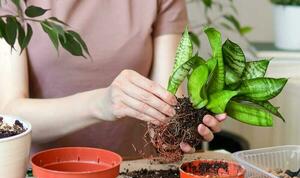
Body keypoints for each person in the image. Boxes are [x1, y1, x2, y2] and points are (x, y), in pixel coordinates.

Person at [0, 0, 226, 157]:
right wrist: (101, 104)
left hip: (135, 174)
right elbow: (9, 114)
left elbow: (169, 93)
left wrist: (177, 128)